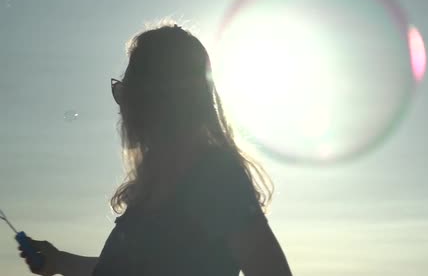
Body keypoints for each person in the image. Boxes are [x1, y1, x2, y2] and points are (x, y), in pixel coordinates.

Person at [18, 22, 293, 276]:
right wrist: (60, 262)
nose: (121, 107)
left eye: (126, 93)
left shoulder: (214, 178)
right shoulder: (157, 184)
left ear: (155, 99)